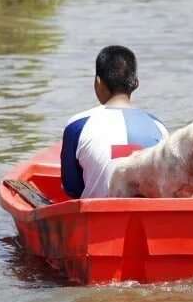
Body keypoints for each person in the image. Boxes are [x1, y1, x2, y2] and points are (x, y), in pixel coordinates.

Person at [61, 45, 167, 198]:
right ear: (136, 83)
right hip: (148, 217)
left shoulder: (78, 125)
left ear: (98, 82)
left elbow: (72, 189)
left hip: (97, 217)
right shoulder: (159, 127)